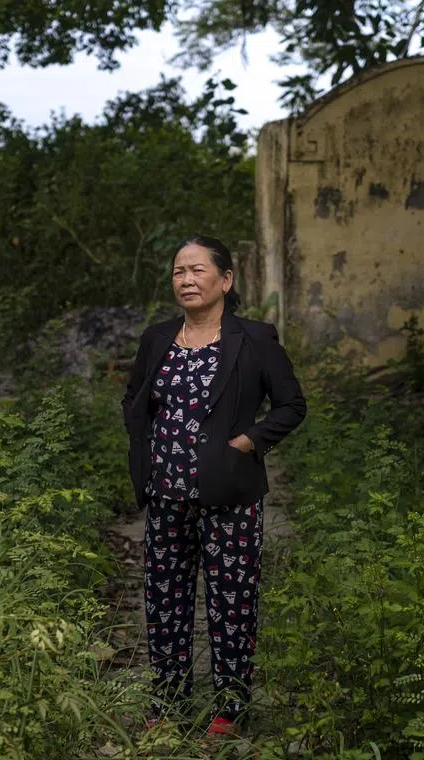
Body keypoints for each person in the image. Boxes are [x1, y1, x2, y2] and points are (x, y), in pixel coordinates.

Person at [121, 234, 307, 735]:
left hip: (230, 495)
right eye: (179, 271)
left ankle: (230, 707)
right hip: (165, 496)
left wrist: (246, 442)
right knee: (164, 602)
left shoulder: (254, 339)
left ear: (225, 280)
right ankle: (169, 702)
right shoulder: (156, 339)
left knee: (232, 601)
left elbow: (292, 406)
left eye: (198, 270)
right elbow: (134, 399)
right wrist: (146, 452)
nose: (186, 279)